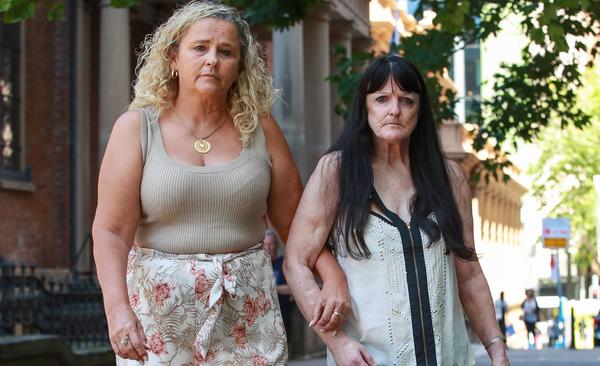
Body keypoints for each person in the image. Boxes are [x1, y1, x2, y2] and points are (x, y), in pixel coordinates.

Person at [92, 1, 348, 364]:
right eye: (200, 47)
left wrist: (332, 275)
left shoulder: (262, 130)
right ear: (173, 58)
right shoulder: (137, 128)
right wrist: (117, 310)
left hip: (247, 314)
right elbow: (111, 231)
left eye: (225, 51)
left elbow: (297, 225)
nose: (212, 59)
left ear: (239, 67)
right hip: (160, 322)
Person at [283, 55, 509, 366]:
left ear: (420, 110)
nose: (394, 110)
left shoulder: (449, 178)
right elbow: (296, 262)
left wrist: (497, 350)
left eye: (406, 100)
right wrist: (337, 343)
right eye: (381, 99)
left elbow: (469, 274)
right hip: (368, 360)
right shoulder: (336, 171)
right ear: (365, 106)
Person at [263, 229, 293, 344]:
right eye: (266, 244)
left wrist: (272, 288)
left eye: (271, 244)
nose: (268, 247)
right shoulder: (260, 265)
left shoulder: (283, 263)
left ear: (276, 245)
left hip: (282, 310)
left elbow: (292, 289)